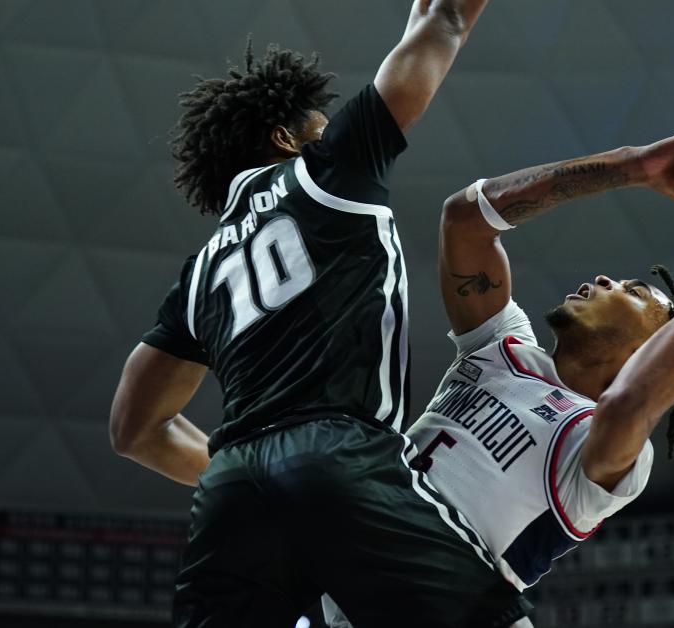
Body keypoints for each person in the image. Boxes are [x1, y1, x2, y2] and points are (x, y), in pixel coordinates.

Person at [107, 2, 533, 626]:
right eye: (320, 123)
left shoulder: (198, 275)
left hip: (233, 485)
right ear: (286, 139)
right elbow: (446, 19)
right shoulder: (328, 170)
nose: (330, 128)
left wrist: (249, 477)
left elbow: (133, 430)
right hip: (338, 454)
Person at [404, 109, 674, 591]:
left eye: (633, 291)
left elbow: (630, 404)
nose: (605, 279)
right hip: (341, 543)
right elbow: (464, 219)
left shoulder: (607, 446)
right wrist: (634, 166)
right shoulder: (499, 346)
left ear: (650, 349)